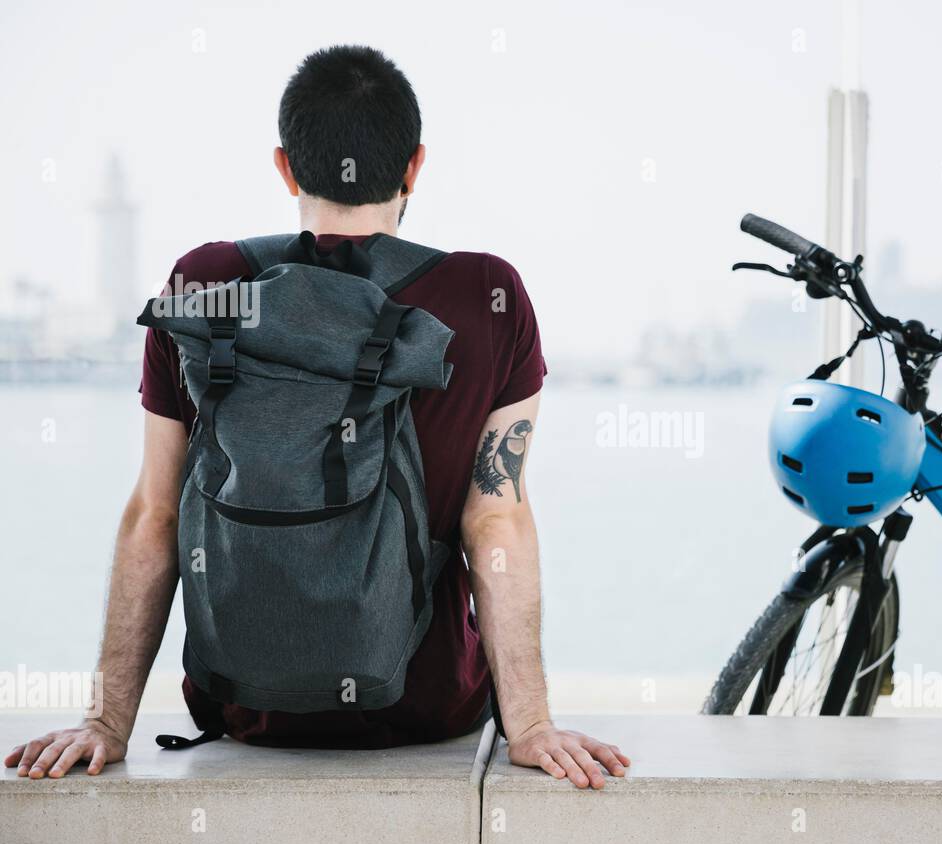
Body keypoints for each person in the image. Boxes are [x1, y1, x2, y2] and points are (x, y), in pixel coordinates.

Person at [5, 45, 629, 790]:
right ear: (415, 165)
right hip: (423, 709)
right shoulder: (487, 295)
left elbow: (155, 514)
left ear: (284, 166)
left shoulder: (208, 283)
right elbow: (495, 521)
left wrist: (106, 721)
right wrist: (529, 725)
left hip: (243, 710)